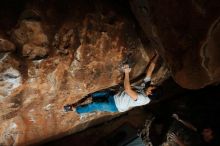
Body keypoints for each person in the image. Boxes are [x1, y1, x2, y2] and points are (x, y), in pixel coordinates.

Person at [64, 53, 162, 114]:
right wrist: (157, 55)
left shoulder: (143, 99)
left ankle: (74, 109)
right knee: (92, 95)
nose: (151, 85)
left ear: (150, 93)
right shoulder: (147, 87)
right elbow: (149, 71)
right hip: (115, 95)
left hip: (115, 105)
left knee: (95, 105)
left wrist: (127, 73)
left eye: (152, 87)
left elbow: (128, 89)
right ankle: (77, 104)